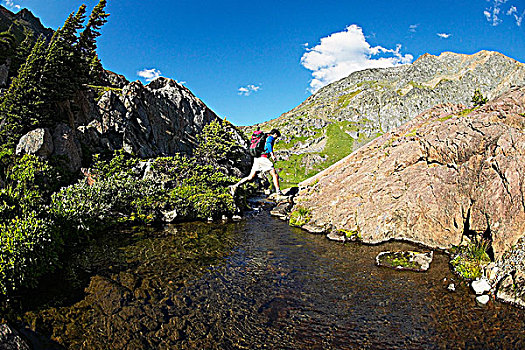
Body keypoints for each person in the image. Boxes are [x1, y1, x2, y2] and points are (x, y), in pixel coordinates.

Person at [230, 129, 282, 197]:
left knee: (250, 177)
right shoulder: (270, 137)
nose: (276, 138)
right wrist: (272, 154)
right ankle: (278, 192)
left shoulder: (264, 137)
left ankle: (235, 185)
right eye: (276, 136)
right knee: (274, 174)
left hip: (257, 159)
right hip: (263, 158)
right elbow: (269, 144)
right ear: (275, 134)